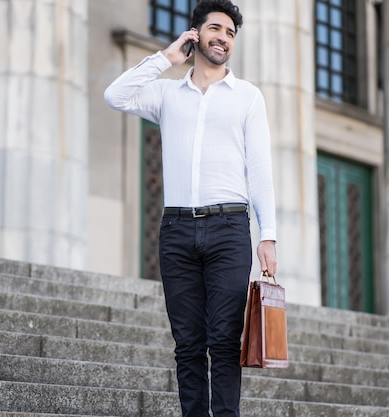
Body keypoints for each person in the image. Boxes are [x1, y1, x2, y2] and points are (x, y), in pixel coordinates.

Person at [104, 1, 276, 416]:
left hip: (230, 229)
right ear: (196, 34)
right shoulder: (166, 94)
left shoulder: (248, 98)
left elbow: (260, 171)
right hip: (177, 231)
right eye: (215, 28)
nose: (224, 37)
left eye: (231, 32)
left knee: (223, 339)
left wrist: (267, 234)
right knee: (187, 345)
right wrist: (167, 57)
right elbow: (115, 95)